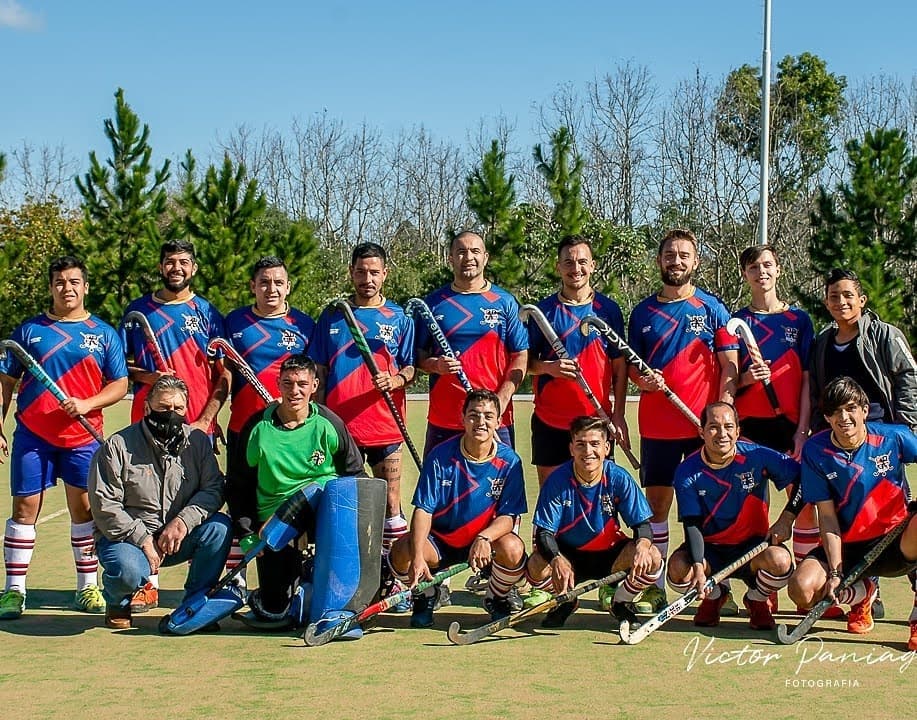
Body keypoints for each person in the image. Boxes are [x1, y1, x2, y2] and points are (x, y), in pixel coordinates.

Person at [0, 256, 128, 620]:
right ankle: (14, 591)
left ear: (85, 287)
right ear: (51, 287)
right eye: (59, 281)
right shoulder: (29, 332)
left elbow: (119, 384)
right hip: (33, 436)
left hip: (82, 437)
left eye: (74, 281)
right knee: (24, 509)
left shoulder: (104, 333)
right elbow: (5, 384)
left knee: (84, 509)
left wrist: (88, 403)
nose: (66, 288)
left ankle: (87, 586)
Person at [625, 228, 738, 614]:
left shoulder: (712, 308)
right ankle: (654, 587)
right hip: (657, 426)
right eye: (670, 255)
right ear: (660, 261)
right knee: (657, 507)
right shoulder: (643, 313)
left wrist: (721, 412)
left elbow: (729, 366)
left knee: (706, 509)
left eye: (684, 255)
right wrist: (646, 380)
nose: (676, 261)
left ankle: (716, 585)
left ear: (695, 262)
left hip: (700, 431)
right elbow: (633, 370)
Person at [120, 239, 230, 612]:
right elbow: (123, 370)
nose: (176, 268)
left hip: (196, 428)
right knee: (143, 504)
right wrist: (151, 378)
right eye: (170, 262)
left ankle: (201, 589)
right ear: (161, 266)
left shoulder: (208, 313)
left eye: (183, 262)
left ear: (194, 268)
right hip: (149, 428)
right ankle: (145, 583)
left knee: (203, 504)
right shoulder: (138, 311)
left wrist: (204, 421)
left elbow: (223, 376)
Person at [807, 268, 917, 619]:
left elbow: (907, 376)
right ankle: (866, 592)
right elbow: (817, 391)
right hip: (840, 436)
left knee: (893, 514)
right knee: (852, 515)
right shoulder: (823, 341)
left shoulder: (884, 335)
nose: (841, 302)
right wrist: (816, 429)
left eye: (847, 295)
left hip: (882, 434)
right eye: (834, 297)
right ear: (826, 302)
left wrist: (904, 426)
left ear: (861, 300)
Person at [232, 354, 366, 631]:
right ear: (278, 385)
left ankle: (329, 589)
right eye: (288, 383)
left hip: (323, 514)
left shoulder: (330, 423)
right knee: (276, 609)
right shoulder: (257, 427)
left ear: (314, 385)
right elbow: (238, 485)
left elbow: (355, 477)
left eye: (302, 384)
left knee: (324, 490)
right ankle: (282, 591)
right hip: (275, 523)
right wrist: (246, 532)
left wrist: (361, 533)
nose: (295, 391)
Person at [88, 375, 232, 630]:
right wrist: (142, 537)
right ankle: (118, 600)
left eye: (178, 409)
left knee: (219, 528)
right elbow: (104, 504)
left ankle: (195, 604)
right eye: (164, 408)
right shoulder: (117, 446)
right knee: (127, 569)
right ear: (147, 407)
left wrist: (183, 521)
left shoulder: (197, 442)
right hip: (127, 539)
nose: (171, 414)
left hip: (177, 536)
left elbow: (213, 488)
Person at [788, 376, 917, 650]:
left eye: (850, 409)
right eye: (835, 412)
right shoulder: (816, 450)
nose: (843, 417)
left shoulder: (893, 437)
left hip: (896, 541)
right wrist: (835, 571)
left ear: (864, 410)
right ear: (826, 417)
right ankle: (860, 594)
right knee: (801, 589)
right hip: (848, 546)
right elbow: (827, 517)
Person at [387, 389, 527, 627]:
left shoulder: (510, 462)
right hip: (440, 541)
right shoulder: (440, 456)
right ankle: (426, 593)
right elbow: (423, 510)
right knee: (402, 551)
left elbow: (508, 517)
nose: (480, 422)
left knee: (513, 549)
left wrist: (484, 537)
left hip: (483, 544)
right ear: (462, 419)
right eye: (473, 415)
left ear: (498, 421)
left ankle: (496, 596)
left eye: (488, 416)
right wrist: (419, 556)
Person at [732, 245, 820, 612]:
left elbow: (806, 381)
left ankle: (807, 586)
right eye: (754, 267)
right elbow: (726, 380)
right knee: (754, 503)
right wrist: (746, 379)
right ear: (745, 275)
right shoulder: (735, 320)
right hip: (750, 426)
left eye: (767, 265)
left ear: (778, 270)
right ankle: (763, 587)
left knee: (804, 502)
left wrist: (802, 429)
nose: (761, 272)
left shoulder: (799, 321)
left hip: (788, 425)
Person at [311, 243, 414, 552]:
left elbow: (411, 367)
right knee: (346, 504)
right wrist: (317, 416)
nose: (366, 279)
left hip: (385, 423)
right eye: (360, 272)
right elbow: (319, 369)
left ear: (385, 274)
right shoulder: (332, 316)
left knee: (390, 502)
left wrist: (395, 379)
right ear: (350, 273)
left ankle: (394, 573)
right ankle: (353, 568)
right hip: (341, 427)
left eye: (373, 272)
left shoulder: (399, 317)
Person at [667, 402, 799, 629]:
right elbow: (692, 523)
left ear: (738, 430)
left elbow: (803, 480)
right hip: (710, 549)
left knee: (781, 561)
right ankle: (716, 595)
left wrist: (787, 518)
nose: (722, 434)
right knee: (678, 570)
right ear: (701, 432)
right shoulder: (687, 470)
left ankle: (757, 599)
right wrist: (698, 565)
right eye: (713, 427)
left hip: (754, 548)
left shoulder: (758, 456)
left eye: (729, 426)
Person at [525, 415, 663, 631]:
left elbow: (642, 526)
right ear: (571, 448)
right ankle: (566, 600)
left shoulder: (618, 477)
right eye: (580, 444)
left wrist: (643, 546)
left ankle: (620, 601)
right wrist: (556, 559)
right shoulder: (557, 480)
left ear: (606, 447)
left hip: (610, 556)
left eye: (595, 444)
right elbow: (544, 533)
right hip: (569, 557)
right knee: (535, 566)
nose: (588, 451)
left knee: (652, 557)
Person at [223, 256, 313, 577]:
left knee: (285, 502)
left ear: (288, 287)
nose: (271, 288)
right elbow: (224, 376)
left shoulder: (305, 325)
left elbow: (315, 380)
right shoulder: (233, 322)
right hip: (244, 429)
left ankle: (289, 576)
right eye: (264, 282)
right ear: (253, 286)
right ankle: (237, 579)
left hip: (289, 433)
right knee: (240, 504)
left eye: (278, 282)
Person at [527, 235, 629, 485]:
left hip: (597, 421)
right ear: (558, 266)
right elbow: (526, 363)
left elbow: (619, 366)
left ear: (592, 265)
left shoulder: (608, 310)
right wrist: (550, 368)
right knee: (552, 499)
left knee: (598, 500)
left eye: (582, 262)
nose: (576, 269)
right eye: (568, 262)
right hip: (550, 421)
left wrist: (618, 415)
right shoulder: (543, 312)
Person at [416, 231, 528, 453]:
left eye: (475, 251)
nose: (468, 257)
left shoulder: (505, 302)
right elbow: (418, 358)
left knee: (498, 487)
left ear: (485, 257)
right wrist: (436, 365)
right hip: (445, 420)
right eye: (461, 252)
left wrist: (500, 402)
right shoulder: (432, 304)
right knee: (440, 487)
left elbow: (521, 356)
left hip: (495, 420)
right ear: (450, 258)